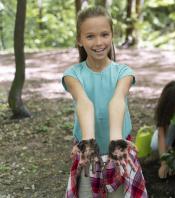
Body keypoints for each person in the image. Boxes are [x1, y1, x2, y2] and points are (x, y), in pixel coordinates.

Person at [62, 6, 147, 197]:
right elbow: (84, 103)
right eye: (90, 36)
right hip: (87, 151)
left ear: (112, 36)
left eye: (104, 34)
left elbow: (117, 100)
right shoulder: (72, 74)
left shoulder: (123, 72)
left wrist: (116, 141)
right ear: (79, 40)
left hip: (118, 150)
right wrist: (88, 143)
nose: (98, 42)